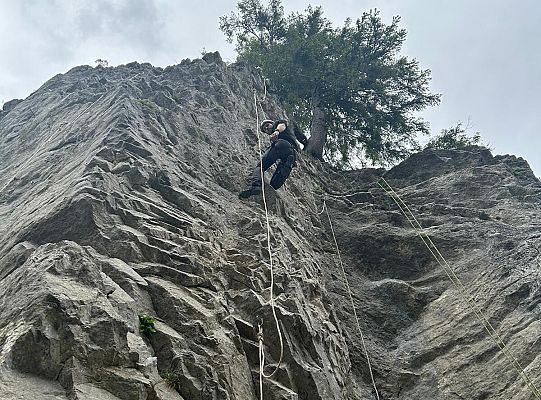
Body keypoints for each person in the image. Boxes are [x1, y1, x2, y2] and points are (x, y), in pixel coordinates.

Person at [239, 118, 309, 199]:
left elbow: (282, 125)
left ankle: (256, 186)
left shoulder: (277, 125)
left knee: (260, 166)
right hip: (291, 153)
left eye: (267, 125)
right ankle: (286, 166)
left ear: (272, 123)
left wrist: (276, 131)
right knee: (274, 185)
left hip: (280, 144)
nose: (266, 128)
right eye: (265, 129)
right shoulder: (278, 135)